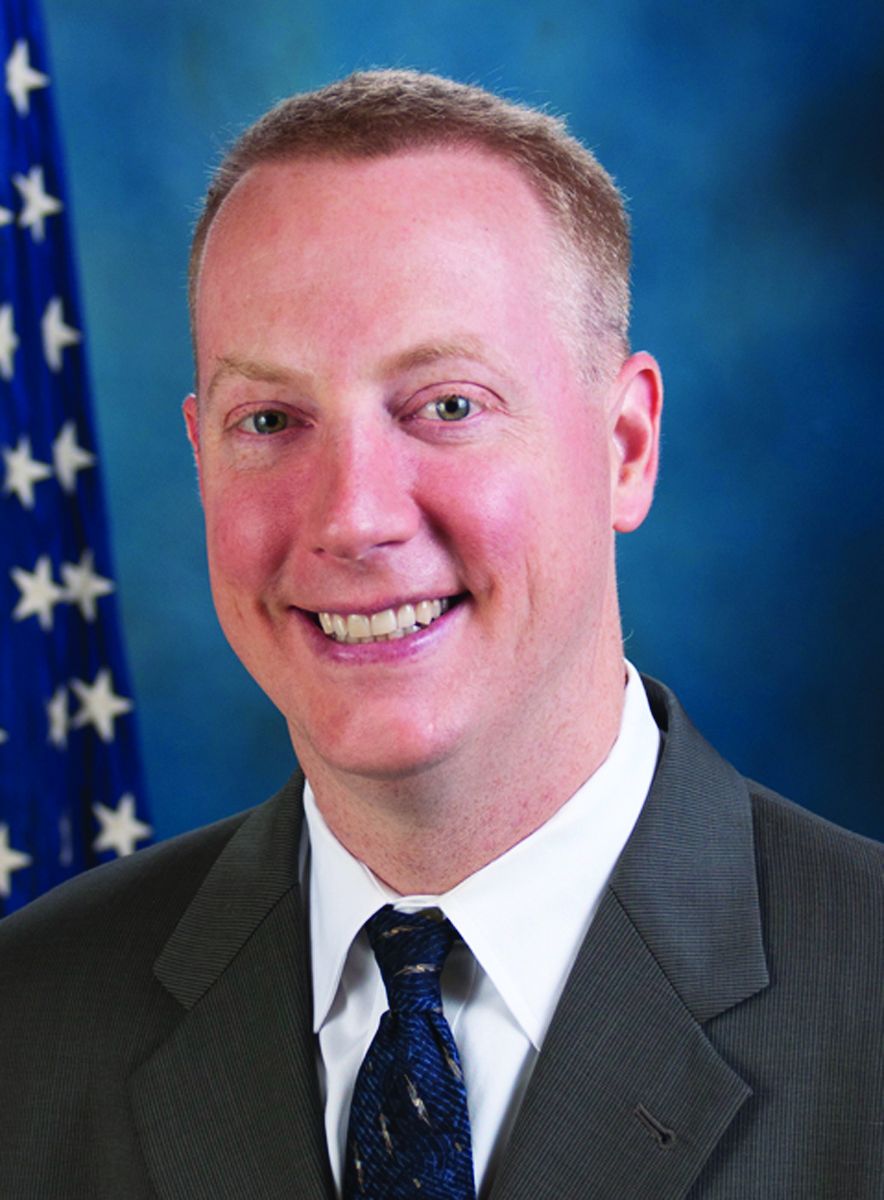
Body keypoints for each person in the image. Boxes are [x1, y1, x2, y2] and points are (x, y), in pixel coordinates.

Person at [0, 70, 881, 1200]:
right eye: (268, 420)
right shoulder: (29, 1023)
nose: (352, 516)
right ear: (201, 455)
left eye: (448, 406)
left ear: (624, 446)